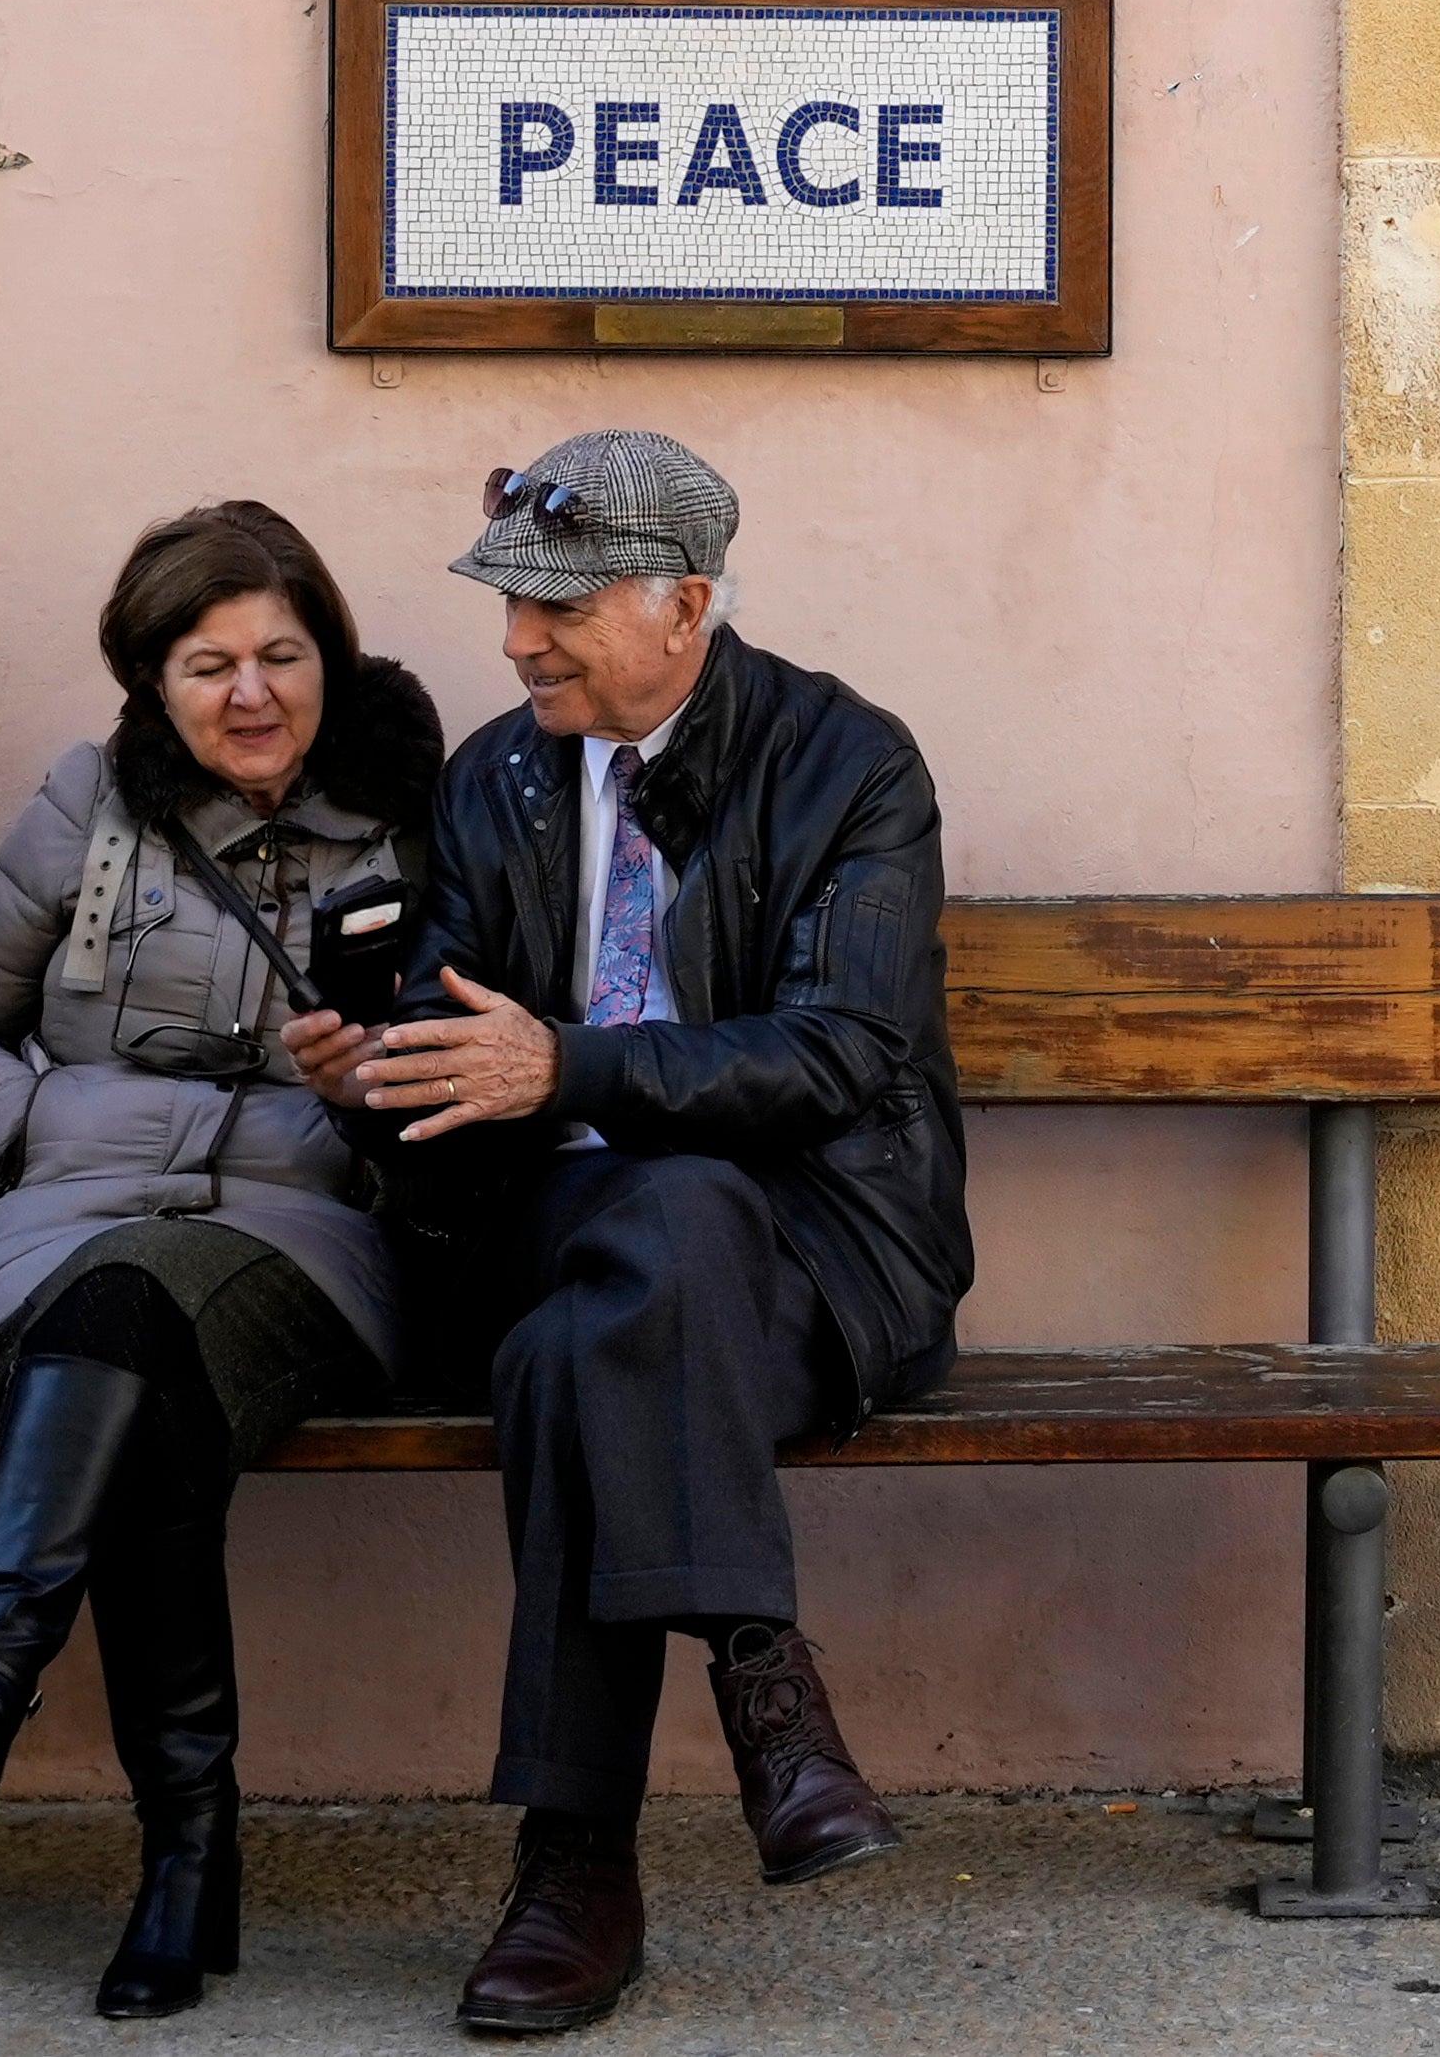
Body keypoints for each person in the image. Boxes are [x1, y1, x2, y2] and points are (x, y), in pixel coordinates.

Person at [282, 429, 968, 2039]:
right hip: (539, 1223)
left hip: (811, 1255)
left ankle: (573, 1866)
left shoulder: (850, 763)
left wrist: (569, 1067)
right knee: (636, 1243)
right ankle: (767, 1686)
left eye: (564, 607)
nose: (520, 641)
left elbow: (840, 1057)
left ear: (687, 605)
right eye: (512, 604)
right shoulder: (497, 776)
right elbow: (450, 1093)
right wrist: (370, 1079)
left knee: (604, 1313)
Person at [0, 501, 447, 2018]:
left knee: (137, 1320)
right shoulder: (84, 807)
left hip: (303, 1240)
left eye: (280, 655)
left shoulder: (423, 827)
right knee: (139, 1366)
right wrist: (37, 1130)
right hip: (60, 1231)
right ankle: (187, 1862)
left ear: (330, 657)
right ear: (150, 680)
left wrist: (363, 1092)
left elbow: (487, 1073)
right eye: (207, 665)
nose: (250, 694)